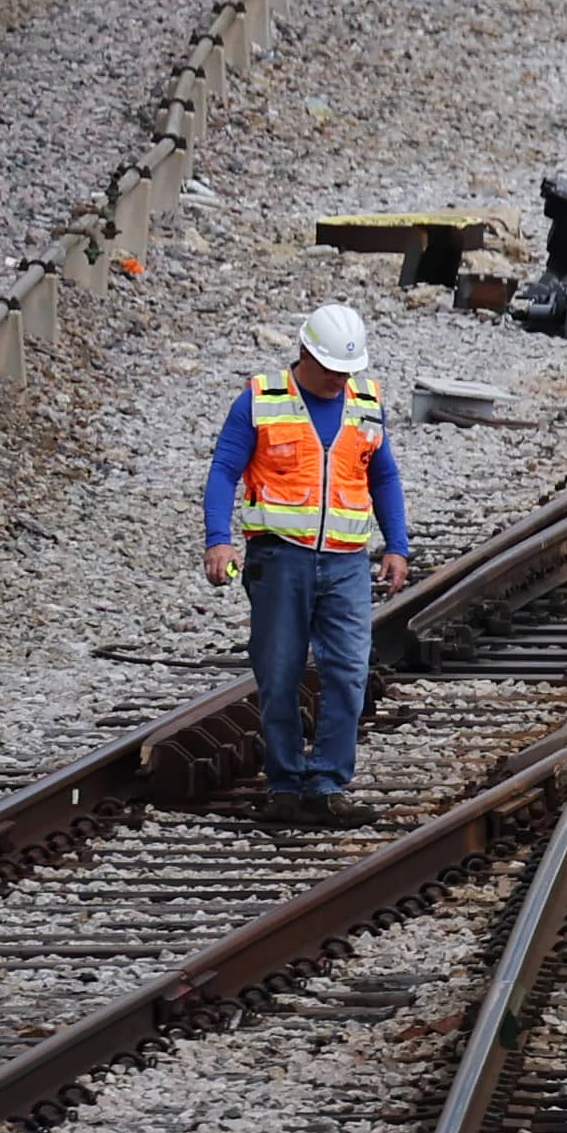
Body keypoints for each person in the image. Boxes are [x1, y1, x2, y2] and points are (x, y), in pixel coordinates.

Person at [204, 303, 410, 826]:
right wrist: (218, 540)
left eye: (346, 372)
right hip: (279, 561)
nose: (338, 381)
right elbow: (225, 469)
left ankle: (327, 783)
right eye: (329, 371)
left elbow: (382, 477)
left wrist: (397, 545)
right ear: (303, 353)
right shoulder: (261, 399)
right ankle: (285, 782)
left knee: (348, 673)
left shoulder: (365, 402)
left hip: (346, 565)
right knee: (279, 672)